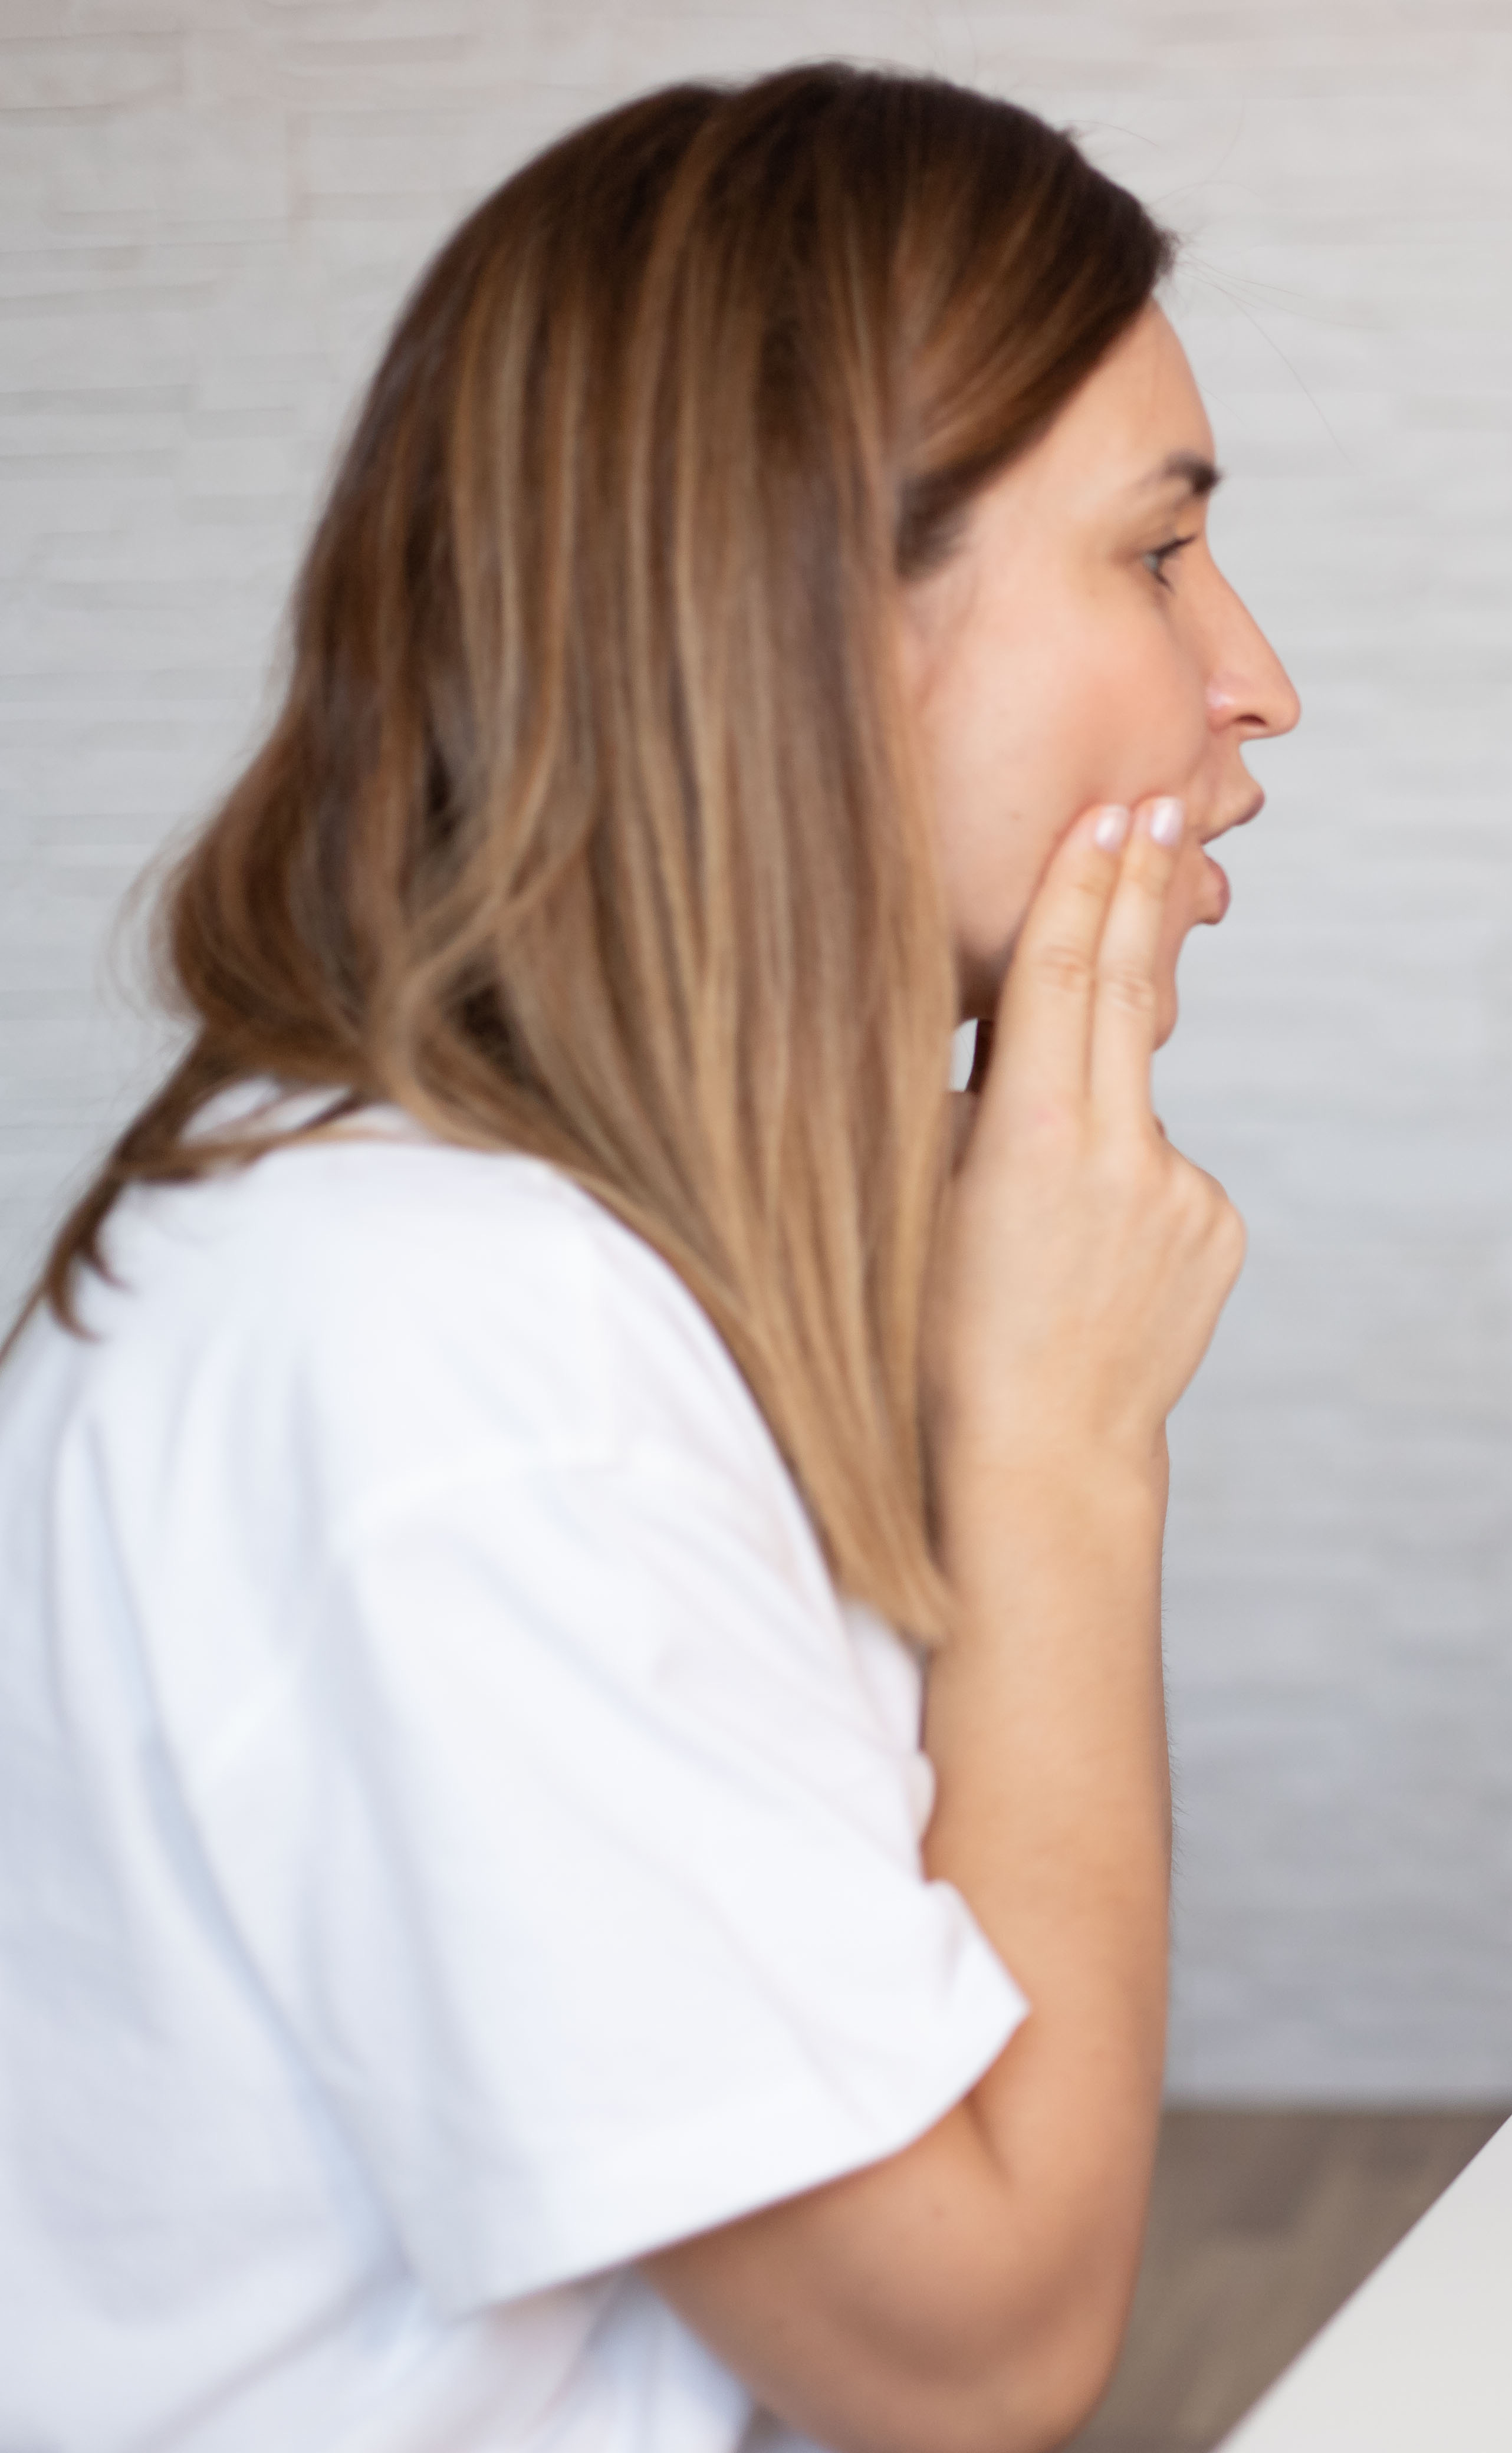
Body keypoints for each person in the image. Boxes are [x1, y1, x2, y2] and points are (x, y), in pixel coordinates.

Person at [0, 65, 1294, 2453]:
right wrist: (1058, 1444)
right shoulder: (441, 1350)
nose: (1255, 681)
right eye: (1155, 554)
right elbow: (978, 2348)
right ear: (812, 618)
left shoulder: (565, 1273)